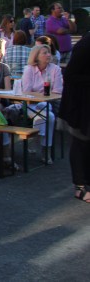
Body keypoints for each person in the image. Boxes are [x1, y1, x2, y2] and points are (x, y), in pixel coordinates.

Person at [59, 34, 90, 202]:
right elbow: (70, 75)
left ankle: (85, 182)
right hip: (79, 104)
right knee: (80, 142)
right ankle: (80, 187)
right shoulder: (85, 45)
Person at [20, 45, 63, 162]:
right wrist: (41, 96)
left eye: (49, 52)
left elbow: (57, 91)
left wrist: (41, 96)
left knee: (48, 114)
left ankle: (37, 141)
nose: (48, 55)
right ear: (36, 56)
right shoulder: (29, 69)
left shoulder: (55, 69)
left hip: (49, 104)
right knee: (49, 117)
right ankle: (45, 150)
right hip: (31, 104)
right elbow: (26, 91)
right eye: (44, 53)